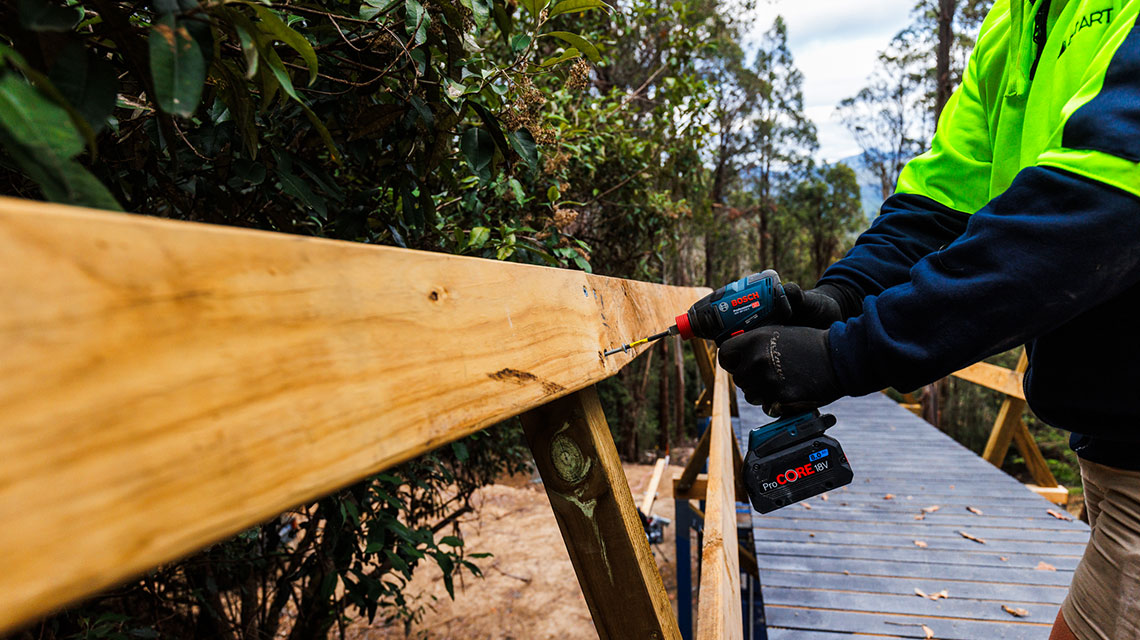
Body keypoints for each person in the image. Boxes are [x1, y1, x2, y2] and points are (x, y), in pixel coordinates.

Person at [716, 0, 1140, 637]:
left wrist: (849, 352)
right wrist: (841, 299)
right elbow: (939, 207)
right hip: (1110, 451)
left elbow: (1095, 214)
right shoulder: (1013, 21)